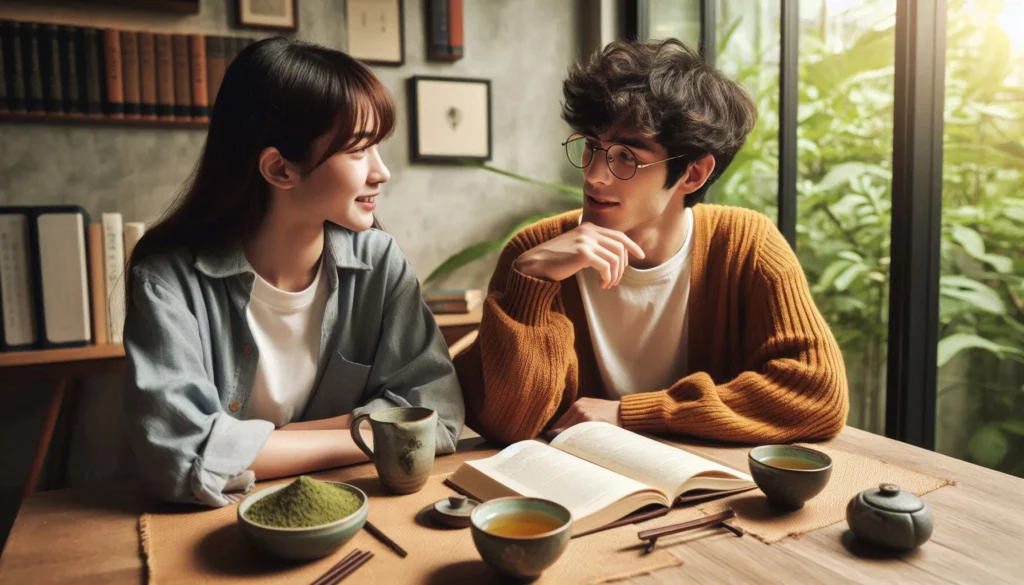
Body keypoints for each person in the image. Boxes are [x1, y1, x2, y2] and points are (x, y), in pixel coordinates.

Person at [123, 38, 464, 507]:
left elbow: (438, 417)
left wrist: (253, 442)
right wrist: (368, 428)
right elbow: (180, 455)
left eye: (378, 147)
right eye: (359, 150)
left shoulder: (380, 263)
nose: (381, 172)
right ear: (280, 169)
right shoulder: (167, 281)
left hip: (356, 512)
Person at [455, 39, 848, 445]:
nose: (594, 175)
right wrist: (530, 285)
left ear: (693, 175)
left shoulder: (746, 246)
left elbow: (818, 394)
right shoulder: (535, 252)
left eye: (626, 156)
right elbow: (505, 425)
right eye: (592, 146)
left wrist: (633, 413)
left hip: (703, 489)